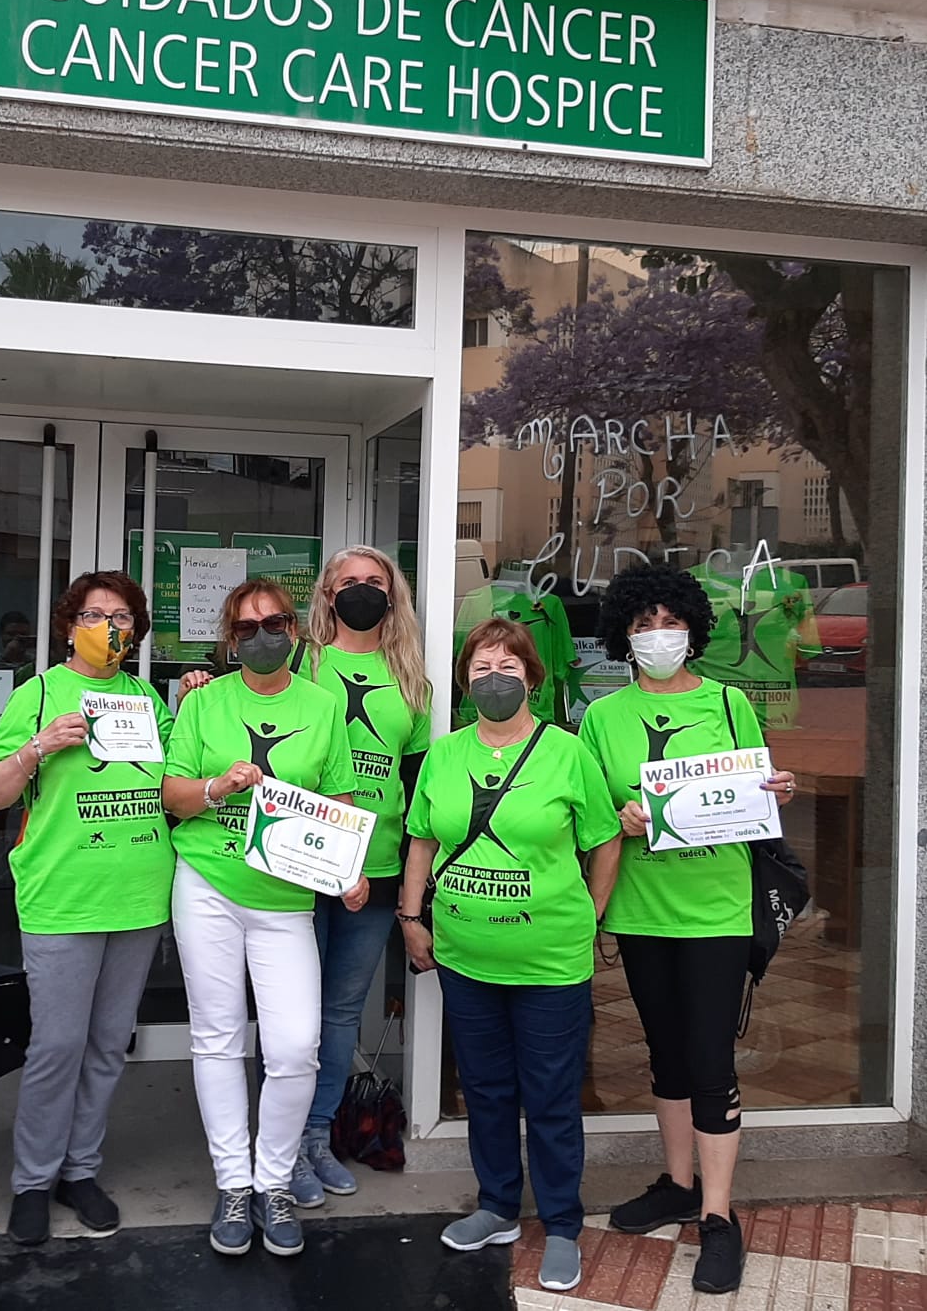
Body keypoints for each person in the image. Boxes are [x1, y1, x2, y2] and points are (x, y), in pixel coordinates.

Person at [577, 564, 797, 1296]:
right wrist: (618, 817)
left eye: (670, 622)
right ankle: (676, 1183)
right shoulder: (602, 717)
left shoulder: (730, 704)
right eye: (643, 624)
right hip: (640, 909)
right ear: (624, 634)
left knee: (709, 1061)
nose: (658, 635)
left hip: (716, 909)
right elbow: (590, 813)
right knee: (665, 1054)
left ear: (692, 629)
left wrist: (779, 788)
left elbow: (758, 789)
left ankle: (717, 1217)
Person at [399, 617, 621, 1295]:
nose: (493, 679)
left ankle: (560, 1224)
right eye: (481, 668)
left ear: (533, 677)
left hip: (549, 961)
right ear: (464, 681)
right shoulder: (444, 754)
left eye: (507, 667)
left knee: (551, 1096)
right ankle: (497, 1206)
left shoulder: (566, 752)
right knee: (486, 1090)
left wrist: (590, 915)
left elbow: (605, 839)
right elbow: (421, 840)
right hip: (465, 957)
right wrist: (410, 916)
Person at [162, 579, 362, 1260]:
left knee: (295, 1046)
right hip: (208, 884)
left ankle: (274, 1179)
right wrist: (216, 787)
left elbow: (338, 799)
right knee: (218, 1038)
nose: (261, 637)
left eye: (274, 623)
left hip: (284, 898)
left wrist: (348, 869)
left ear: (294, 630)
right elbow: (173, 794)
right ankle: (234, 1184)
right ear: (229, 639)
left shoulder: (322, 705)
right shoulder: (202, 702)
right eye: (246, 629)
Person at [0, 572, 175, 1248]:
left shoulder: (146, 699)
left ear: (136, 631)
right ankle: (32, 1181)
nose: (108, 628)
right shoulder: (37, 695)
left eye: (122, 617)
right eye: (94, 615)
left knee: (107, 1045)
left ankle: (79, 1170)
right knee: (57, 1047)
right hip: (63, 898)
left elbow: (173, 782)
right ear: (69, 625)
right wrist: (38, 747)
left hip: (138, 895)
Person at [288, 546, 432, 1202]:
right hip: (300, 862)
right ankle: (282, 1144)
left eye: (375, 582)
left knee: (341, 1012)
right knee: (292, 1016)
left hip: (374, 868)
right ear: (327, 594)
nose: (362, 591)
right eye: (349, 582)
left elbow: (417, 785)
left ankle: (318, 1136)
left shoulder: (412, 680)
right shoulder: (301, 662)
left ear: (392, 594)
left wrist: (413, 889)